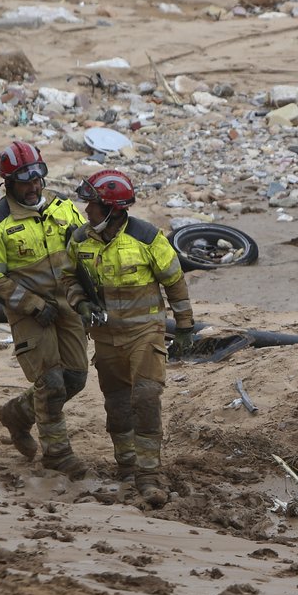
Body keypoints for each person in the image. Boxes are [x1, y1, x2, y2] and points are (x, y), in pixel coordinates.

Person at [62, 169, 193, 508]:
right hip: (106, 337)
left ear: (112, 209)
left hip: (144, 334)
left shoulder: (147, 238)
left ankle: (148, 475)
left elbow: (175, 282)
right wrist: (81, 302)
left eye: (91, 205)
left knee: (146, 398)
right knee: (117, 405)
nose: (86, 211)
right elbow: (69, 280)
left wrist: (185, 326)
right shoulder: (80, 240)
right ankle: (126, 467)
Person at [0, 141, 90, 479]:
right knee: (51, 381)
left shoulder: (63, 207)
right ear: (8, 183)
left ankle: (18, 414)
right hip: (30, 312)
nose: (33, 187)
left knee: (75, 379)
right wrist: (32, 305)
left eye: (37, 179)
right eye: (25, 182)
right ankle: (58, 454)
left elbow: (85, 251)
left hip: (69, 305)